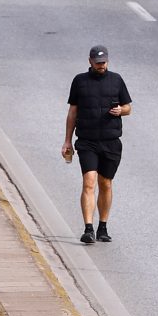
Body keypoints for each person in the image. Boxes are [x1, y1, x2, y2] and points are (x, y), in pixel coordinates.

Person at [62, 45, 132, 244]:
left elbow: (129, 108)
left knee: (105, 183)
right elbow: (72, 112)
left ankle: (103, 226)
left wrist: (121, 110)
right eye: (98, 62)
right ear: (90, 61)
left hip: (111, 142)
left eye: (104, 62)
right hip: (87, 141)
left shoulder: (116, 80)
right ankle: (88, 228)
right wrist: (67, 140)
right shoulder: (80, 81)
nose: (102, 65)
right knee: (89, 182)